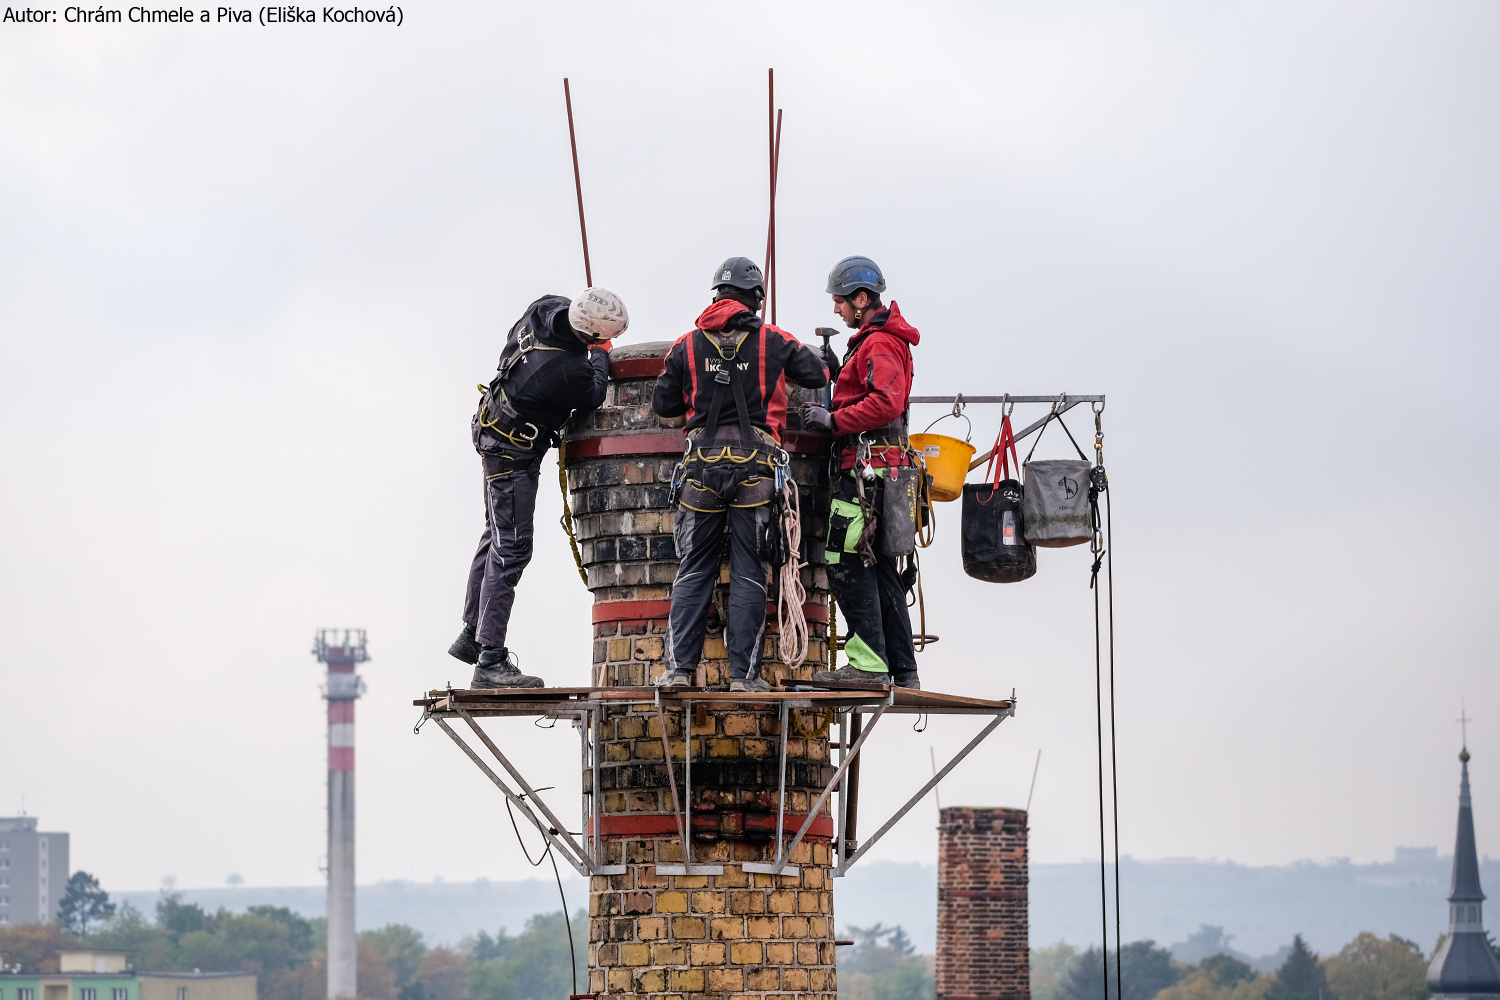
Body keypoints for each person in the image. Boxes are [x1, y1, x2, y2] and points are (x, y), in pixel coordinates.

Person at [652, 257, 829, 693]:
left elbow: (663, 405)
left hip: (700, 472)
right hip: (757, 470)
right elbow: (818, 373)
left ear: (717, 296)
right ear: (756, 299)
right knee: (750, 571)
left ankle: (678, 672)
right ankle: (743, 678)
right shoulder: (773, 340)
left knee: (694, 569)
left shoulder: (687, 344)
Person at [449, 288, 629, 688]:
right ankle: (490, 660)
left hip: (494, 429)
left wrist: (592, 333)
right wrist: (601, 352)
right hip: (512, 454)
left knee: (496, 536)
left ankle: (472, 636)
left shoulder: (545, 309)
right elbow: (595, 391)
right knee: (512, 548)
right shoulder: (567, 370)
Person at [801, 256, 923, 689]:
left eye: (839, 302)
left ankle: (868, 664)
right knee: (883, 569)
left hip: (866, 473)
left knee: (844, 559)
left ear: (861, 298)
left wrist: (833, 421)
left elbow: (886, 402)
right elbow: (874, 394)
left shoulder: (880, 344)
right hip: (884, 472)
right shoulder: (876, 342)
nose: (837, 310)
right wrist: (840, 378)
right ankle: (902, 669)